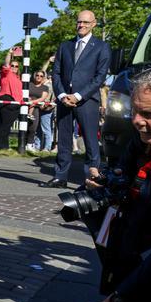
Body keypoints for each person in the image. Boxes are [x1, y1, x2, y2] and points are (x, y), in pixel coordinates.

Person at [72, 66, 151, 302]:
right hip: (147, 217)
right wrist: (105, 182)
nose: (136, 121)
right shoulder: (141, 139)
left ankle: (131, 298)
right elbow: (122, 172)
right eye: (135, 111)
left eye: (149, 115)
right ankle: (136, 297)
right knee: (91, 203)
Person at [42, 10, 110, 188]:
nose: (81, 25)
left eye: (86, 23)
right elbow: (55, 73)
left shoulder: (102, 47)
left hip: (87, 101)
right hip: (64, 100)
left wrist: (78, 96)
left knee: (90, 141)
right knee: (64, 140)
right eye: (79, 22)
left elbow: (100, 76)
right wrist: (63, 95)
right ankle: (60, 177)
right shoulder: (65, 46)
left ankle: (91, 178)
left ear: (94, 24)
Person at [0, 52, 23, 149]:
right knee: (5, 125)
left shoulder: (19, 78)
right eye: (12, 65)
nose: (14, 67)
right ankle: (3, 146)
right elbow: (6, 64)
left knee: (4, 125)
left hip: (16, 103)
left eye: (16, 66)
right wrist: (9, 53)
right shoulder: (7, 73)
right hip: (6, 99)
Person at [25, 69, 53, 151]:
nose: (39, 77)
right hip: (25, 107)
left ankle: (31, 144)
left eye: (41, 76)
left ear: (44, 78)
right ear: (34, 76)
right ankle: (23, 143)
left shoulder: (45, 87)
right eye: (37, 75)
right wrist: (28, 99)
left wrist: (32, 102)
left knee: (33, 127)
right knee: (24, 126)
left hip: (36, 108)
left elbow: (43, 98)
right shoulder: (29, 84)